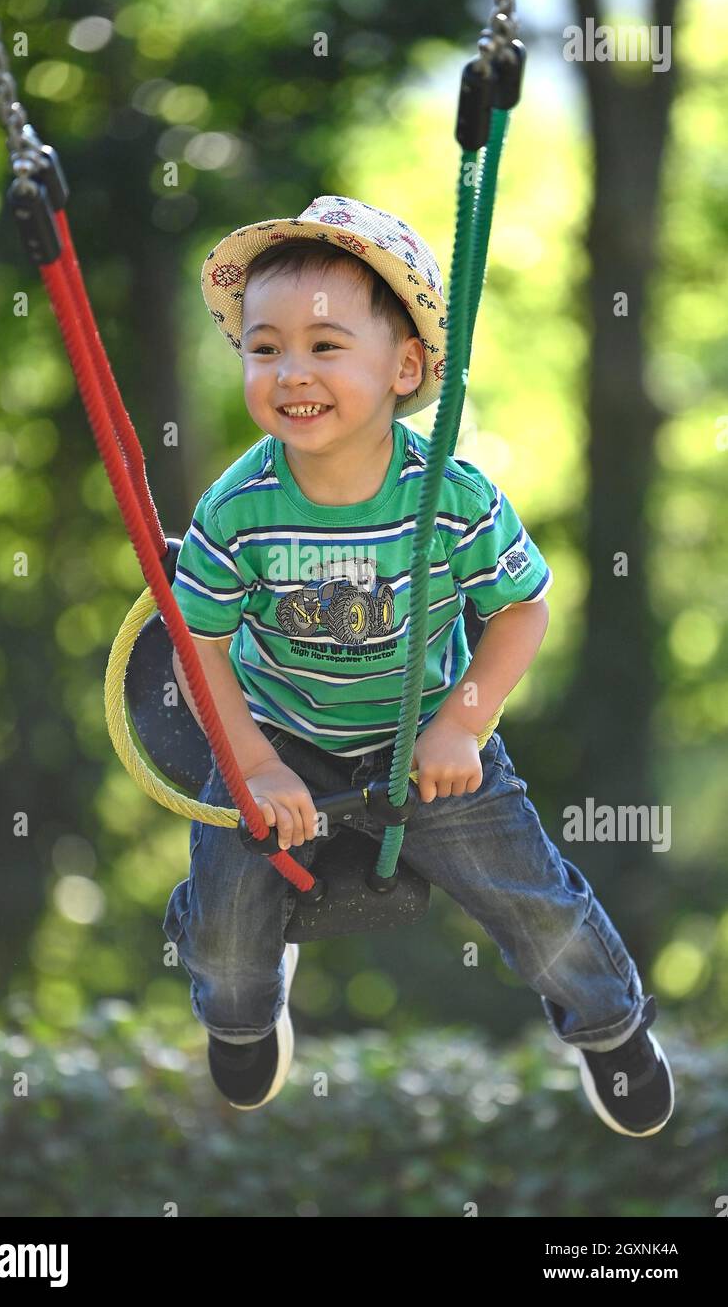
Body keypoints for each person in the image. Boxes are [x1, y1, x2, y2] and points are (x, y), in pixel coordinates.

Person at [162, 195, 674, 1133]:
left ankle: (610, 1027)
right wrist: (256, 764)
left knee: (533, 899)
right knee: (230, 923)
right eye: (263, 346)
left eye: (324, 345)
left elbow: (521, 607)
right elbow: (198, 641)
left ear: (403, 367)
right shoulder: (237, 508)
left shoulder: (448, 493)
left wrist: (461, 723)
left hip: (424, 730)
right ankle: (244, 1010)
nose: (290, 371)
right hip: (286, 732)